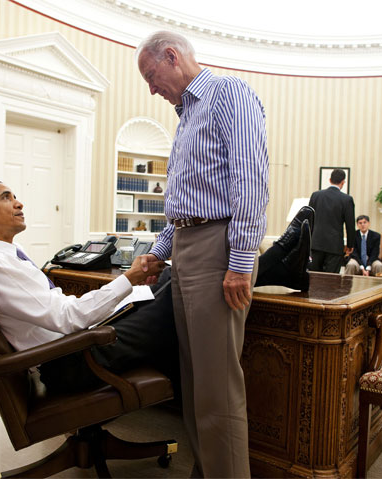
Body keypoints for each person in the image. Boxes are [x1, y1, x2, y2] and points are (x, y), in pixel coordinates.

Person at [0, 180, 312, 398]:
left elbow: (58, 309)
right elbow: (66, 318)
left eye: (16, 196)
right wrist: (126, 280)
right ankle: (278, 261)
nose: (18, 203)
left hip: (74, 343)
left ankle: (277, 266)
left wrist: (130, 286)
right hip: (73, 360)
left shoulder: (1, 257)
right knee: (186, 289)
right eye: (6, 197)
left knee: (174, 277)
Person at [136, 30, 270, 478]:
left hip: (218, 246)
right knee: (193, 383)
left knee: (217, 388)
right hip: (189, 248)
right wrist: (158, 253)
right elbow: (185, 204)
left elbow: (250, 181)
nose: (151, 88)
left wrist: (240, 262)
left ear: (171, 56)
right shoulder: (186, 115)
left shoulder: (228, 93)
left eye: (151, 76)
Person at [309, 168, 355, 274]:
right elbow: (350, 224)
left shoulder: (316, 196)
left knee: (314, 277)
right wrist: (350, 245)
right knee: (331, 279)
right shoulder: (347, 199)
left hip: (316, 243)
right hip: (334, 246)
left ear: (330, 180)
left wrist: (309, 241)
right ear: (343, 182)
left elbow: (309, 219)